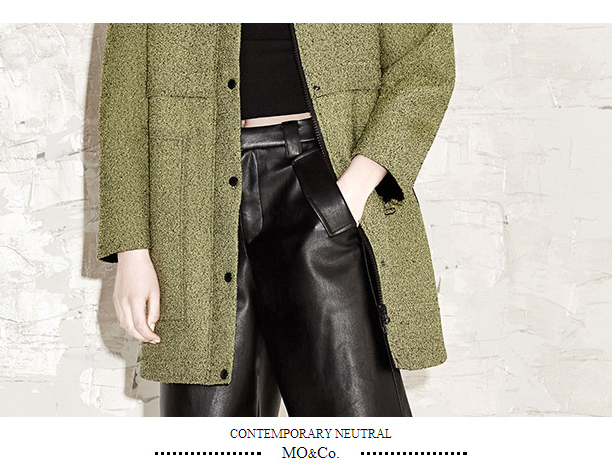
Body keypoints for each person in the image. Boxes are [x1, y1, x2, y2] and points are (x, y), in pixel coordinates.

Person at [97, 23, 456, 417]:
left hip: (320, 186)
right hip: (190, 211)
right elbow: (124, 101)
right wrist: (132, 249)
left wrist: (352, 190)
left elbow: (424, 61)